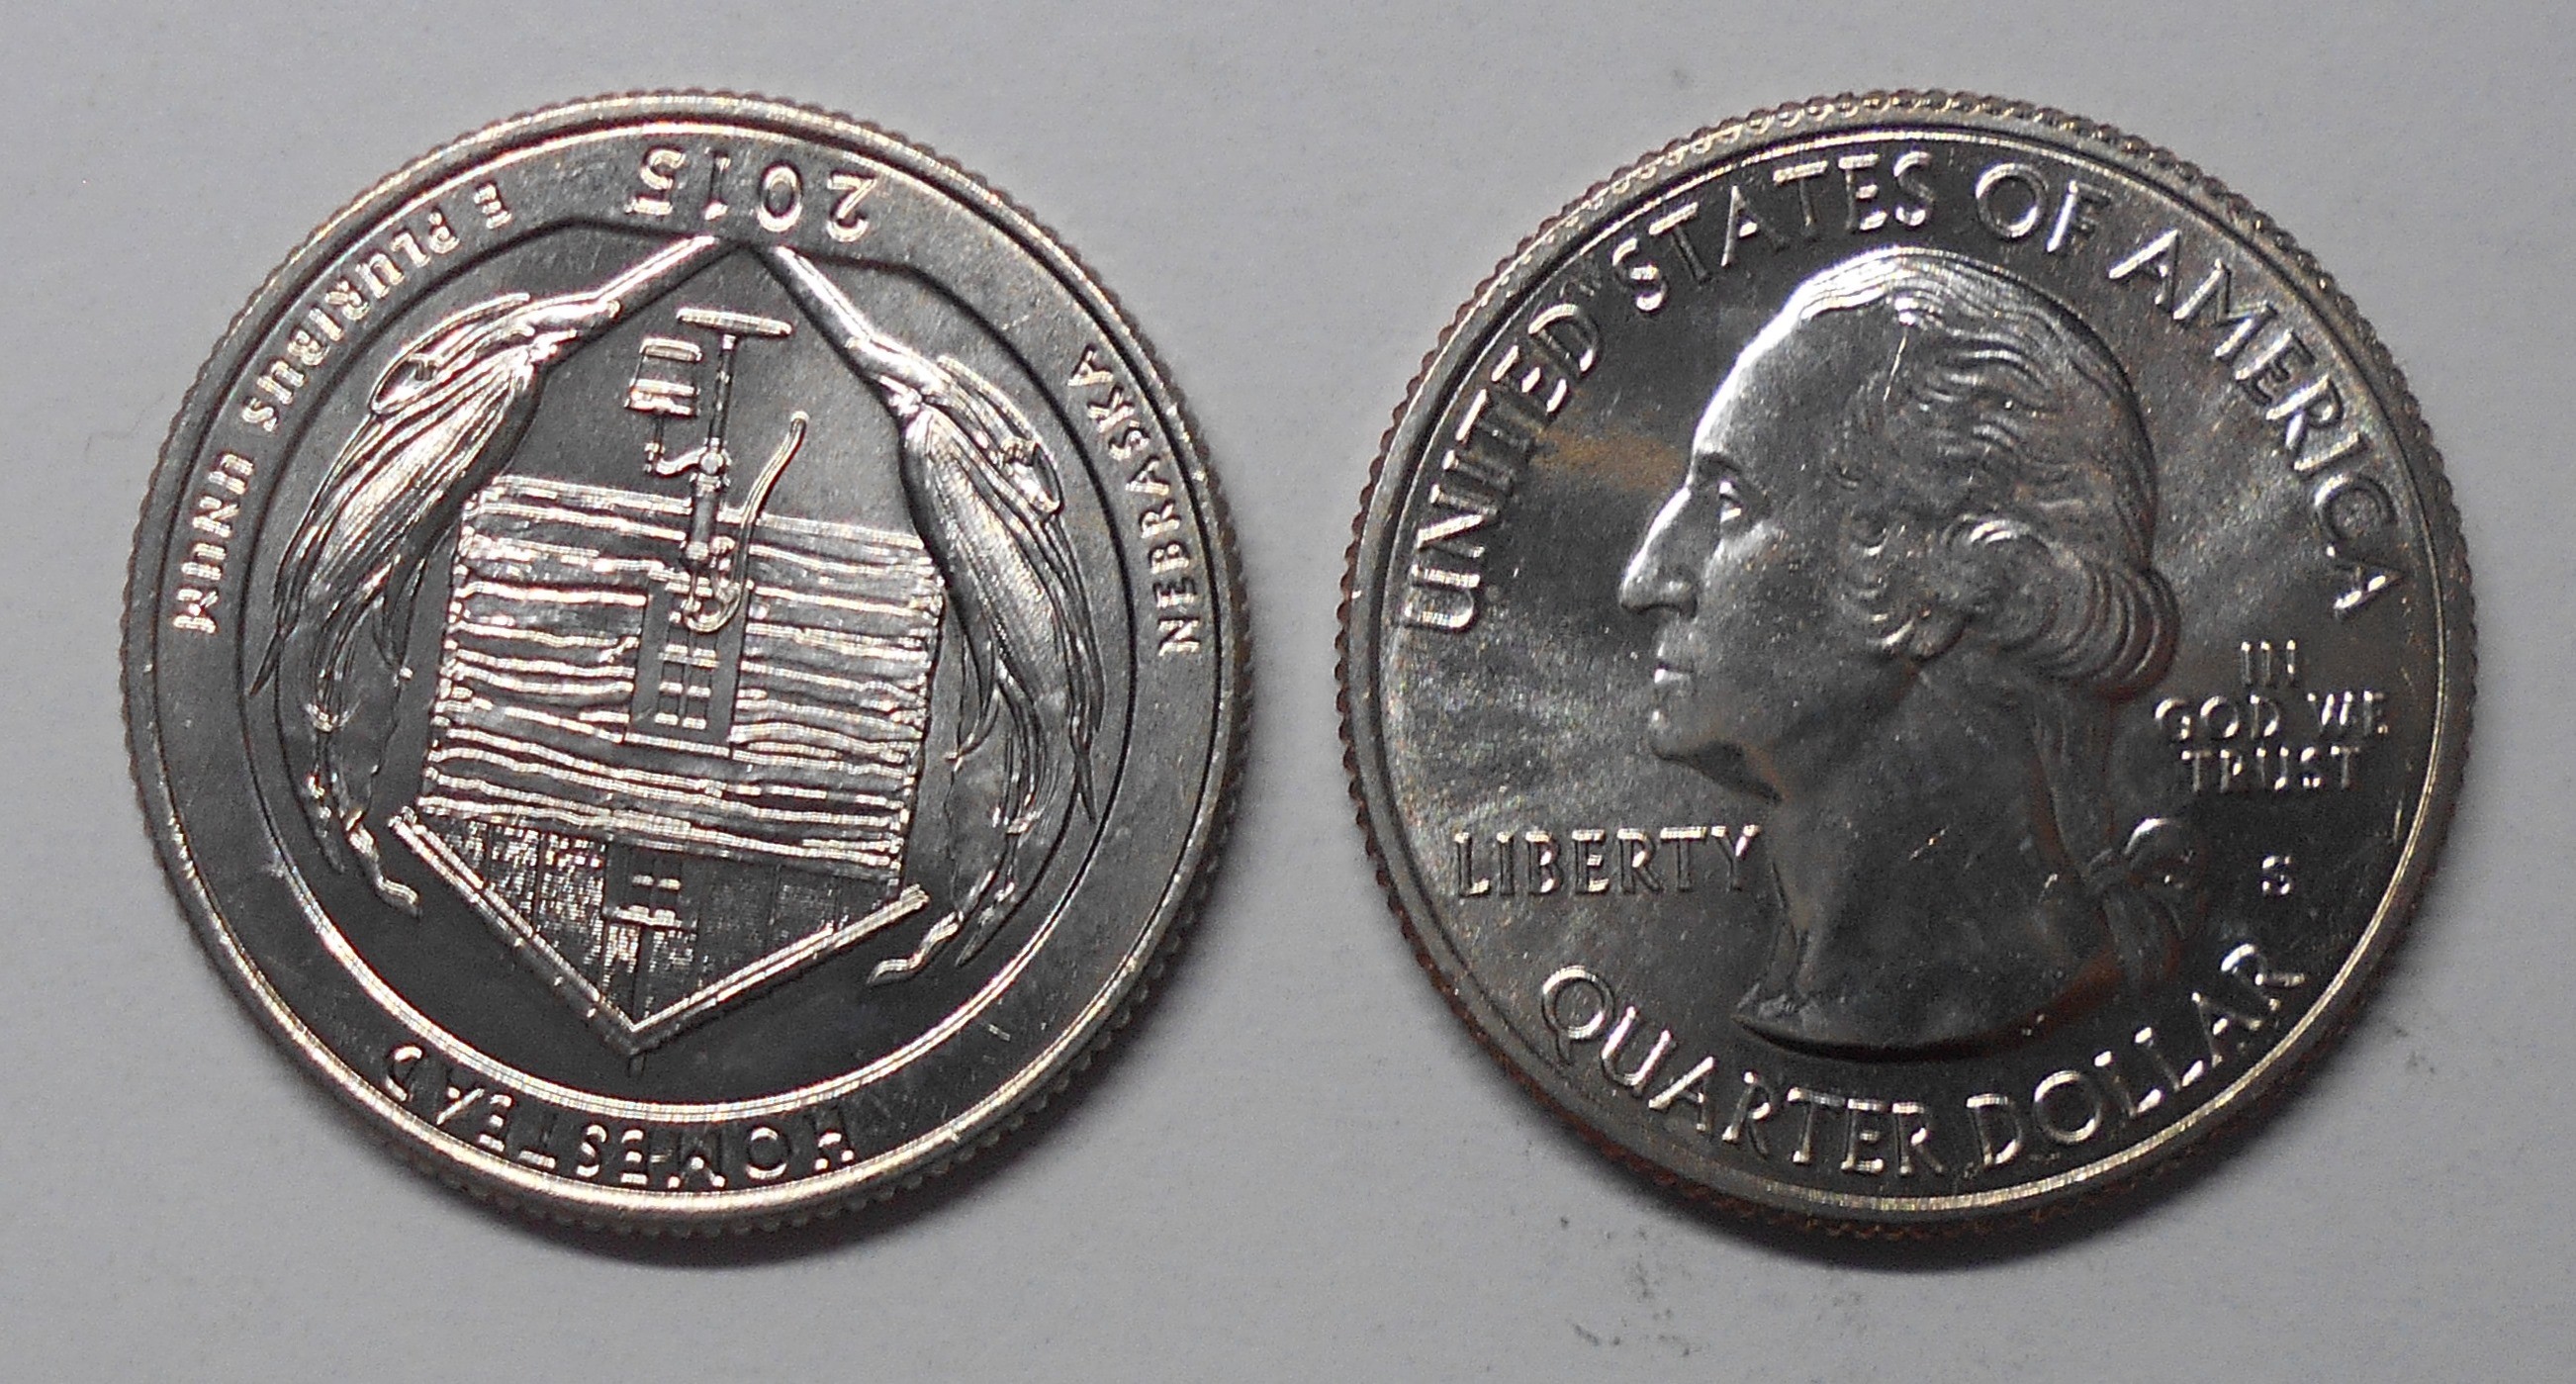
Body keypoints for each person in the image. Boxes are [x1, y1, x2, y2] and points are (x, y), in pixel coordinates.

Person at [1617, 246, 2186, 1057]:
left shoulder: (1988, 998)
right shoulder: (1804, 993)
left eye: (1732, 502)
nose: (1644, 581)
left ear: (1926, 578)